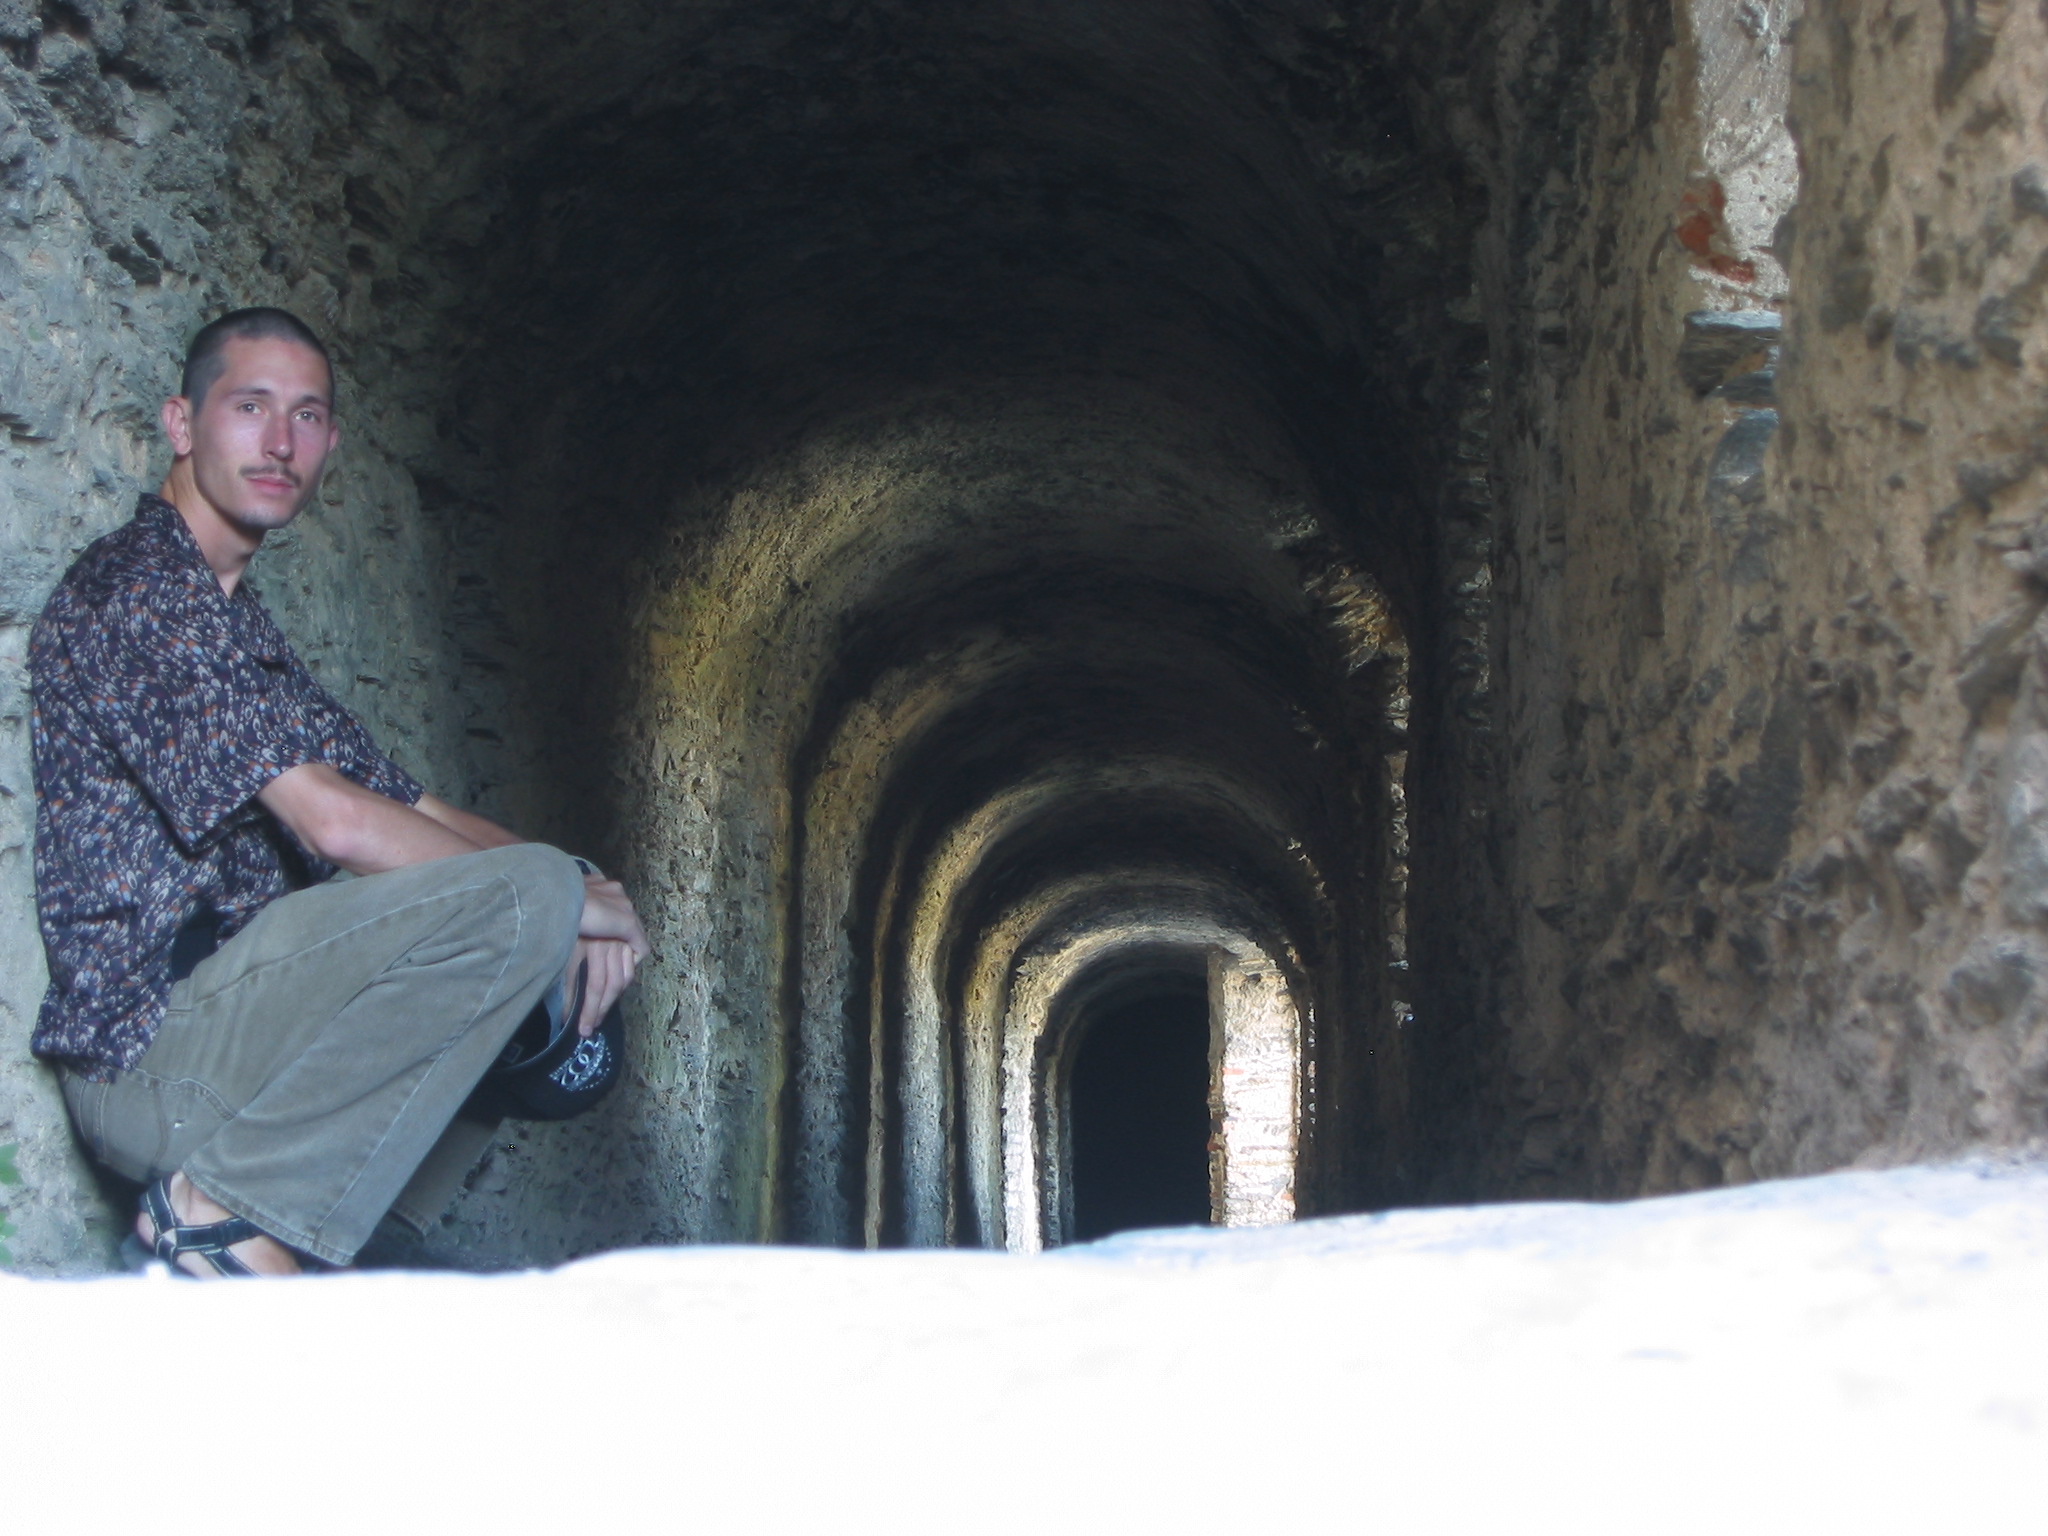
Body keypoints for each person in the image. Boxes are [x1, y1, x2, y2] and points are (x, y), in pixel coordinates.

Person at [27, 307, 650, 1277]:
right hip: (154, 1060)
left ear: (332, 445)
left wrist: (584, 880)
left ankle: (332, 1218)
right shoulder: (141, 592)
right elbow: (339, 824)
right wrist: (558, 900)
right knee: (522, 900)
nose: (280, 441)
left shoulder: (247, 636)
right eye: (250, 406)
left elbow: (423, 811)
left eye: (308, 416)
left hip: (245, 1050)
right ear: (182, 425)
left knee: (530, 910)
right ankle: (218, 1212)